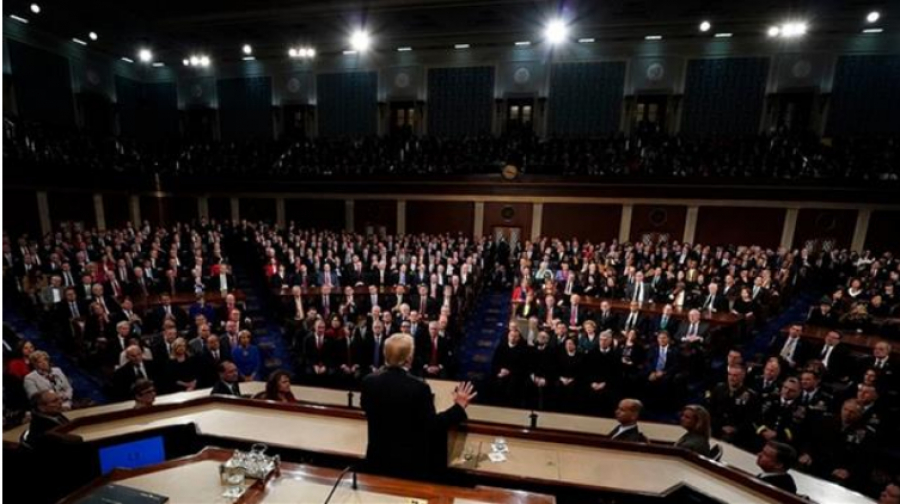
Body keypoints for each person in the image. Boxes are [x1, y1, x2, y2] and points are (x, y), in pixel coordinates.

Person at [360, 333, 476, 479]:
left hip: (377, 461)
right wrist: (458, 407)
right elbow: (432, 426)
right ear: (409, 358)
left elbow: (368, 409)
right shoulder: (419, 387)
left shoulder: (368, 382)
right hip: (408, 466)